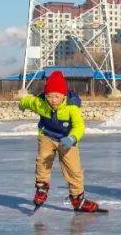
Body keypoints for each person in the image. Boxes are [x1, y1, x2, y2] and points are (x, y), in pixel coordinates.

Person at [19, 70, 102, 213]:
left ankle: (78, 199)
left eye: (56, 96)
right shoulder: (40, 103)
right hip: (47, 136)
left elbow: (79, 126)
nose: (53, 100)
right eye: (49, 96)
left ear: (63, 95)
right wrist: (22, 105)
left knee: (74, 170)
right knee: (43, 160)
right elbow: (28, 101)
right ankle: (41, 189)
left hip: (67, 140)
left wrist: (72, 138)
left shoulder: (71, 107)